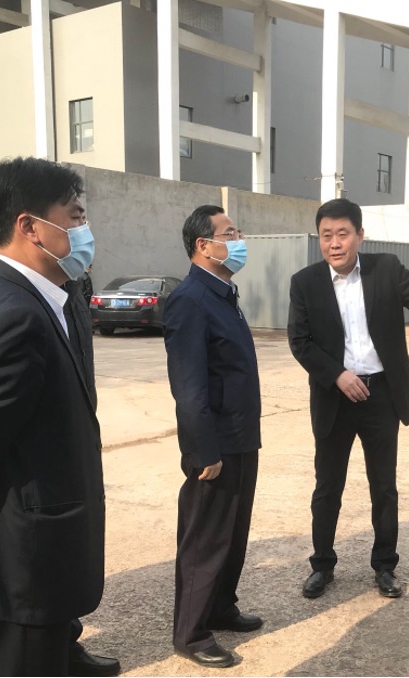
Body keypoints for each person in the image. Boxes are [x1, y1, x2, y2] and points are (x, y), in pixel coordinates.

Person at [0, 156, 119, 677]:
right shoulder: (14, 314)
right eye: (75, 217)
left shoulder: (26, 293)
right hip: (20, 559)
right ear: (30, 227)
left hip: (38, 544)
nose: (85, 230)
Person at [287, 197, 409, 599]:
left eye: (343, 234)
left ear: (360, 235)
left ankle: (385, 566)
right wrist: (337, 375)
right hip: (334, 397)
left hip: (381, 396)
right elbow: (300, 342)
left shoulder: (386, 269)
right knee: (327, 487)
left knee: (384, 486)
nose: (334, 243)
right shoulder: (305, 282)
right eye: (326, 235)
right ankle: (322, 565)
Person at [163, 205, 262, 669]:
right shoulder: (191, 300)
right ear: (204, 245)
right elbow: (189, 388)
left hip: (241, 436)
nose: (238, 241)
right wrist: (203, 451)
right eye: (230, 233)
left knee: (233, 533)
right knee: (205, 540)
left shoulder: (223, 295)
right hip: (215, 444)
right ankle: (192, 633)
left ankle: (221, 606)